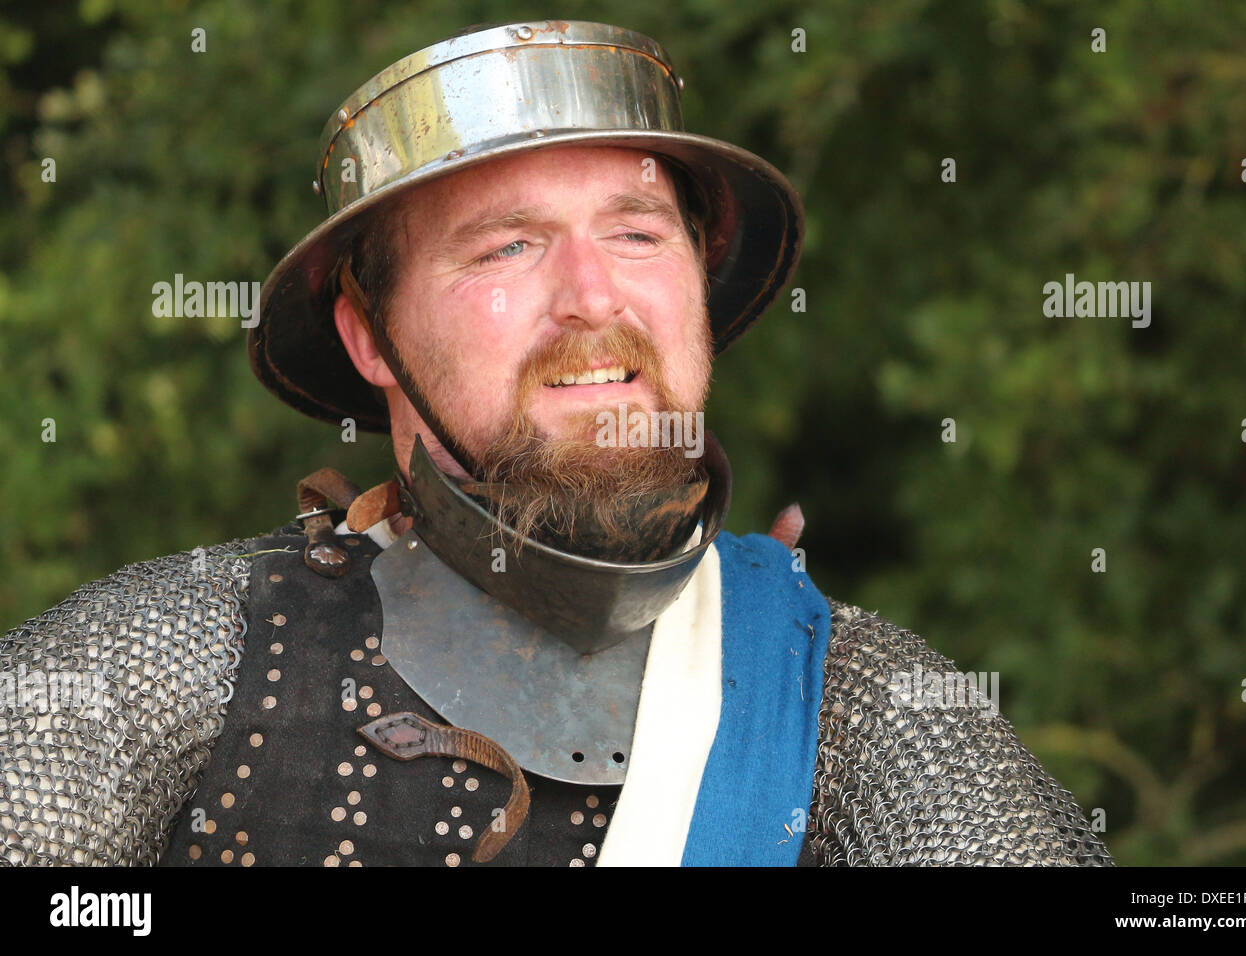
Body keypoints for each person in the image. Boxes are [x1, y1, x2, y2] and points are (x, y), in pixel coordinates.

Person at [0, 20, 1113, 867]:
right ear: (369, 335)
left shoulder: (841, 707)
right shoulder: (173, 665)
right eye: (507, 246)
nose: (593, 299)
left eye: (635, 233)